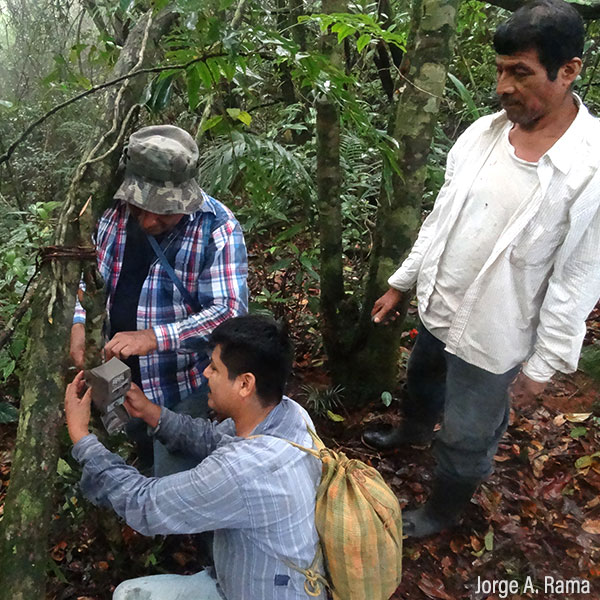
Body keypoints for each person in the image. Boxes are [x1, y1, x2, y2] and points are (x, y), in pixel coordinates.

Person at [363, 0, 600, 538]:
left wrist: (544, 366)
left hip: (495, 335)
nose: (503, 86)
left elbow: (578, 278)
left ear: (569, 71)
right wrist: (403, 282)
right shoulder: (483, 134)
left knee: (470, 432)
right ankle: (413, 430)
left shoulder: (591, 167)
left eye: (521, 72)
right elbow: (444, 218)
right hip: (440, 307)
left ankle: (443, 509)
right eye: (500, 70)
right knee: (423, 377)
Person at [65, 315, 325, 600]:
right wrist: (151, 413)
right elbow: (214, 438)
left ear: (245, 384)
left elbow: (145, 504)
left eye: (214, 367)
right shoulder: (289, 414)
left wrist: (82, 438)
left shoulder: (241, 470)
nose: (205, 374)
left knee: (127, 595)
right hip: (278, 582)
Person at [70, 125, 248, 475]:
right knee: (136, 453)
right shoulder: (112, 215)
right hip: (117, 378)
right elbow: (91, 280)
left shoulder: (217, 228)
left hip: (180, 388)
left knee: (174, 485)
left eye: (164, 211)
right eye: (141, 207)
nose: (149, 220)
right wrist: (79, 322)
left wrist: (153, 338)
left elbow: (229, 314)